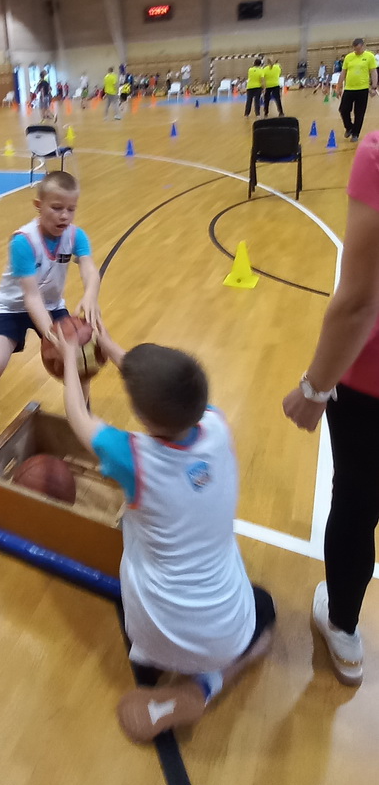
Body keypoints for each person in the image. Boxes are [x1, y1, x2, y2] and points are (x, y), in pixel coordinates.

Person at [56, 322, 276, 742]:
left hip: (149, 631)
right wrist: (111, 347)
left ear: (141, 416)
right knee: (264, 606)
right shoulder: (217, 424)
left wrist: (71, 356)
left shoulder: (133, 458)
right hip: (220, 635)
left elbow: (76, 414)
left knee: (142, 566)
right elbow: (169, 391)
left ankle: (187, 679)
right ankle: (208, 682)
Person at [283, 130, 379, 686]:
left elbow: (361, 301)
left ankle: (343, 629)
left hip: (371, 385)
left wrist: (315, 389)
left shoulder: (377, 155)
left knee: (358, 502)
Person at [0, 171, 100, 441]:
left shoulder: (75, 235)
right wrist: (50, 334)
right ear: (39, 205)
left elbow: (89, 268)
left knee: (79, 362)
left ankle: (83, 415)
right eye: (56, 208)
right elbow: (31, 296)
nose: (64, 216)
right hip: (12, 308)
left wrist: (91, 293)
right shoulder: (23, 241)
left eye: (71, 209)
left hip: (52, 305)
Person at [336, 39, 378, 142]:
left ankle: (355, 133)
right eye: (355, 49)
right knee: (343, 110)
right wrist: (338, 87)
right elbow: (343, 73)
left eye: (359, 49)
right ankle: (349, 127)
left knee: (359, 113)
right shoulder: (349, 57)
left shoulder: (369, 56)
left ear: (363, 46)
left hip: (362, 89)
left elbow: (373, 72)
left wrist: (374, 87)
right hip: (349, 88)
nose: (357, 51)